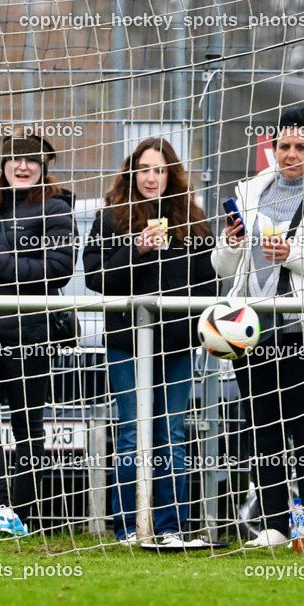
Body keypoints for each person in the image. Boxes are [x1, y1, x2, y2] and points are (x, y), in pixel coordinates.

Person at [212, 106, 304, 550]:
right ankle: (270, 525)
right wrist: (229, 245)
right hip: (255, 333)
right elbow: (224, 269)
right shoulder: (249, 193)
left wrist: (293, 255)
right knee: (261, 430)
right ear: (272, 149)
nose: (289, 154)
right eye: (282, 146)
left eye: (299, 146)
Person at [83, 137, 216, 546]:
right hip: (125, 343)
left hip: (176, 345)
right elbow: (95, 278)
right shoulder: (110, 218)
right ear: (132, 172)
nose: (151, 177)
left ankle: (171, 526)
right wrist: (136, 248)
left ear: (171, 174)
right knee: (130, 433)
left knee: (171, 434)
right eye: (144, 169)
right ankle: (127, 527)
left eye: (159, 169)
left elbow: (209, 283)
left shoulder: (192, 220)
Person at [0, 129, 76, 537]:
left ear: (43, 168)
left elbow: (60, 268)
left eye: (30, 161)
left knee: (27, 426)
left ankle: (23, 513)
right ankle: (0, 509)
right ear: (3, 164)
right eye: (14, 159)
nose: (21, 167)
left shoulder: (57, 208)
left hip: (31, 334)